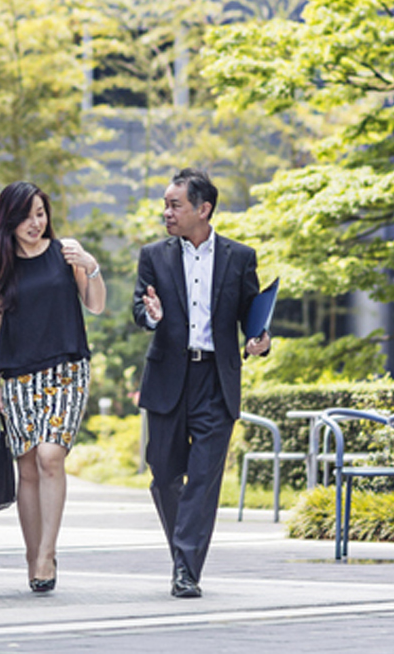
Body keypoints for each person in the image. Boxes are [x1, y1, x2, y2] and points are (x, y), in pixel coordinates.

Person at [132, 168, 271, 599]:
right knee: (164, 474)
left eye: (175, 205)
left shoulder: (239, 257)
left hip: (216, 378)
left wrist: (260, 342)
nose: (166, 213)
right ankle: (184, 552)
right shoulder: (153, 255)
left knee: (204, 478)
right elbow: (141, 308)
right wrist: (150, 314)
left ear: (203, 208)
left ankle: (186, 569)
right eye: (166, 205)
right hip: (169, 377)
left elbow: (253, 317)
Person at [0, 181, 105, 593]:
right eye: (25, 216)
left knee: (51, 456)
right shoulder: (1, 265)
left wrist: (91, 265)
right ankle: (33, 557)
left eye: (40, 213)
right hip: (17, 376)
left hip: (66, 371)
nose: (35, 223)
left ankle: (48, 552)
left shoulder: (64, 251)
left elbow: (96, 304)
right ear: (8, 221)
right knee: (28, 467)